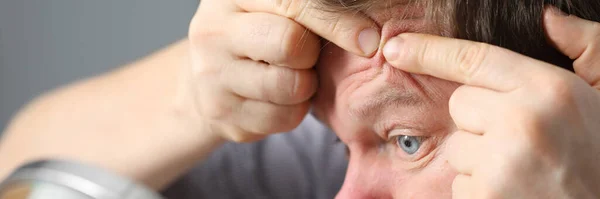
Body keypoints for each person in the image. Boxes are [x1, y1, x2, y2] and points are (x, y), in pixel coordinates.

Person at [1, 0, 600, 198]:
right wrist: (193, 92)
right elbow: (20, 173)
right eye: (341, 143)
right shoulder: (332, 146)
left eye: (409, 141)